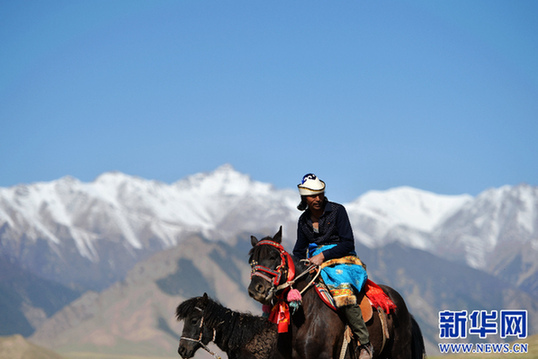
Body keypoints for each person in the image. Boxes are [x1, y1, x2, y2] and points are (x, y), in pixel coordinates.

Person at [292, 173, 373, 359]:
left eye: (320, 193)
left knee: (342, 291)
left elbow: (348, 243)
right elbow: (298, 251)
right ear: (305, 197)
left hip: (343, 261)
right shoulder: (303, 221)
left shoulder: (338, 211)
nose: (318, 198)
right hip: (314, 264)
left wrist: (323, 255)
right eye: (313, 195)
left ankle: (364, 343)